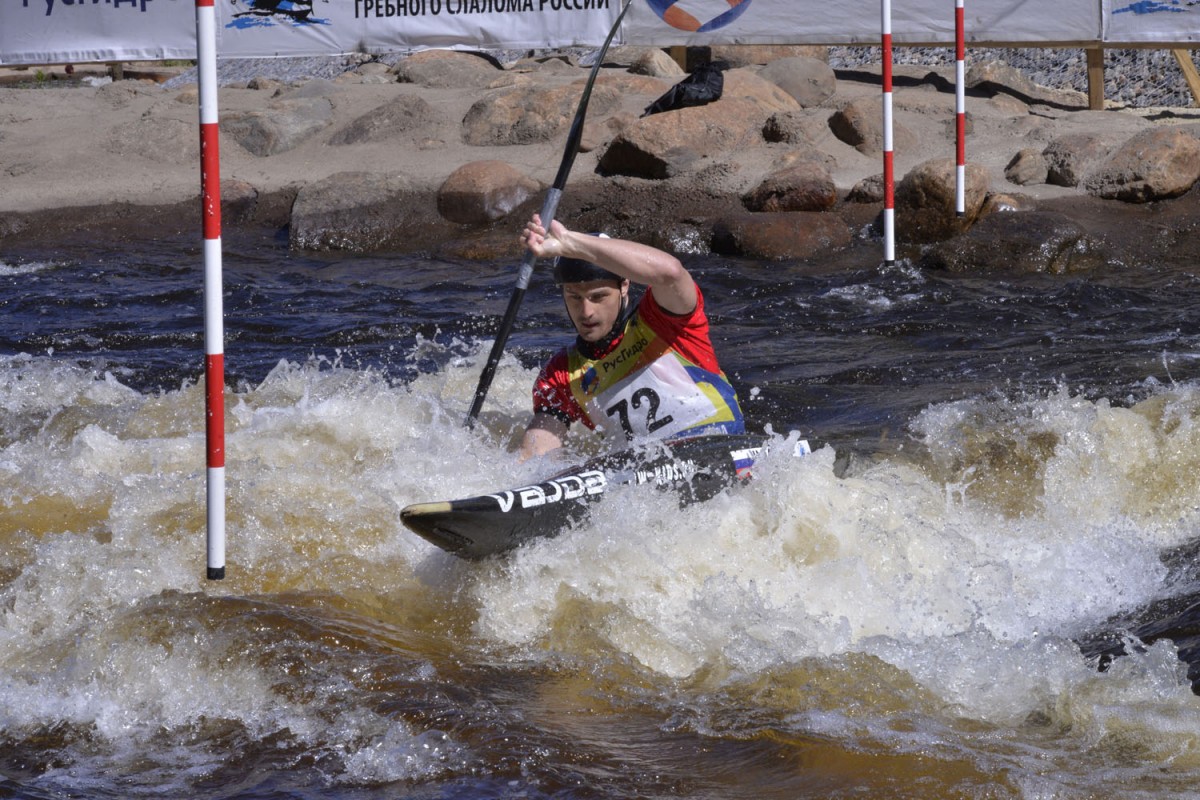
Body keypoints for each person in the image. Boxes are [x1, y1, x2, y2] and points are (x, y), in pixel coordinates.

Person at [519, 213, 745, 459]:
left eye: (598, 296)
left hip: (724, 451)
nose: (586, 312)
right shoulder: (561, 374)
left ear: (624, 285)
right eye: (574, 297)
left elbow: (670, 272)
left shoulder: (663, 320)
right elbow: (536, 458)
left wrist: (571, 242)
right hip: (647, 475)